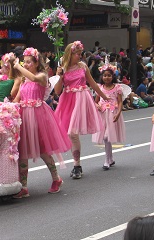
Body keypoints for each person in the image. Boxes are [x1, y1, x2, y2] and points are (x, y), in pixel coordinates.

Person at [12, 47, 71, 198]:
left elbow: (34, 79)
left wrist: (17, 66)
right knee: (23, 150)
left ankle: (56, 179)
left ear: (36, 63)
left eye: (28, 62)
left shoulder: (42, 76)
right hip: (24, 116)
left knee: (44, 150)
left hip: (39, 115)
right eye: (24, 62)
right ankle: (24, 186)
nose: (25, 65)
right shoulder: (24, 79)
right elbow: (17, 98)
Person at [54, 41, 109, 179]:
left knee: (73, 133)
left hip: (82, 100)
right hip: (67, 101)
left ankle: (77, 165)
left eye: (80, 53)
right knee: (71, 133)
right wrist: (60, 76)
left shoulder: (83, 66)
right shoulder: (62, 68)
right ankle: (77, 165)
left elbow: (93, 84)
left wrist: (104, 97)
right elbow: (57, 91)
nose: (79, 56)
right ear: (70, 54)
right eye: (77, 54)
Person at [92, 62, 126, 170]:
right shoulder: (99, 88)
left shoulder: (117, 88)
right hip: (102, 114)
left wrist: (118, 112)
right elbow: (95, 101)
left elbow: (120, 102)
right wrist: (97, 105)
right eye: (105, 75)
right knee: (106, 137)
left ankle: (108, 159)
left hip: (112, 114)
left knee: (108, 137)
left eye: (109, 75)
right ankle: (109, 159)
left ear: (113, 76)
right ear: (102, 76)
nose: (107, 77)